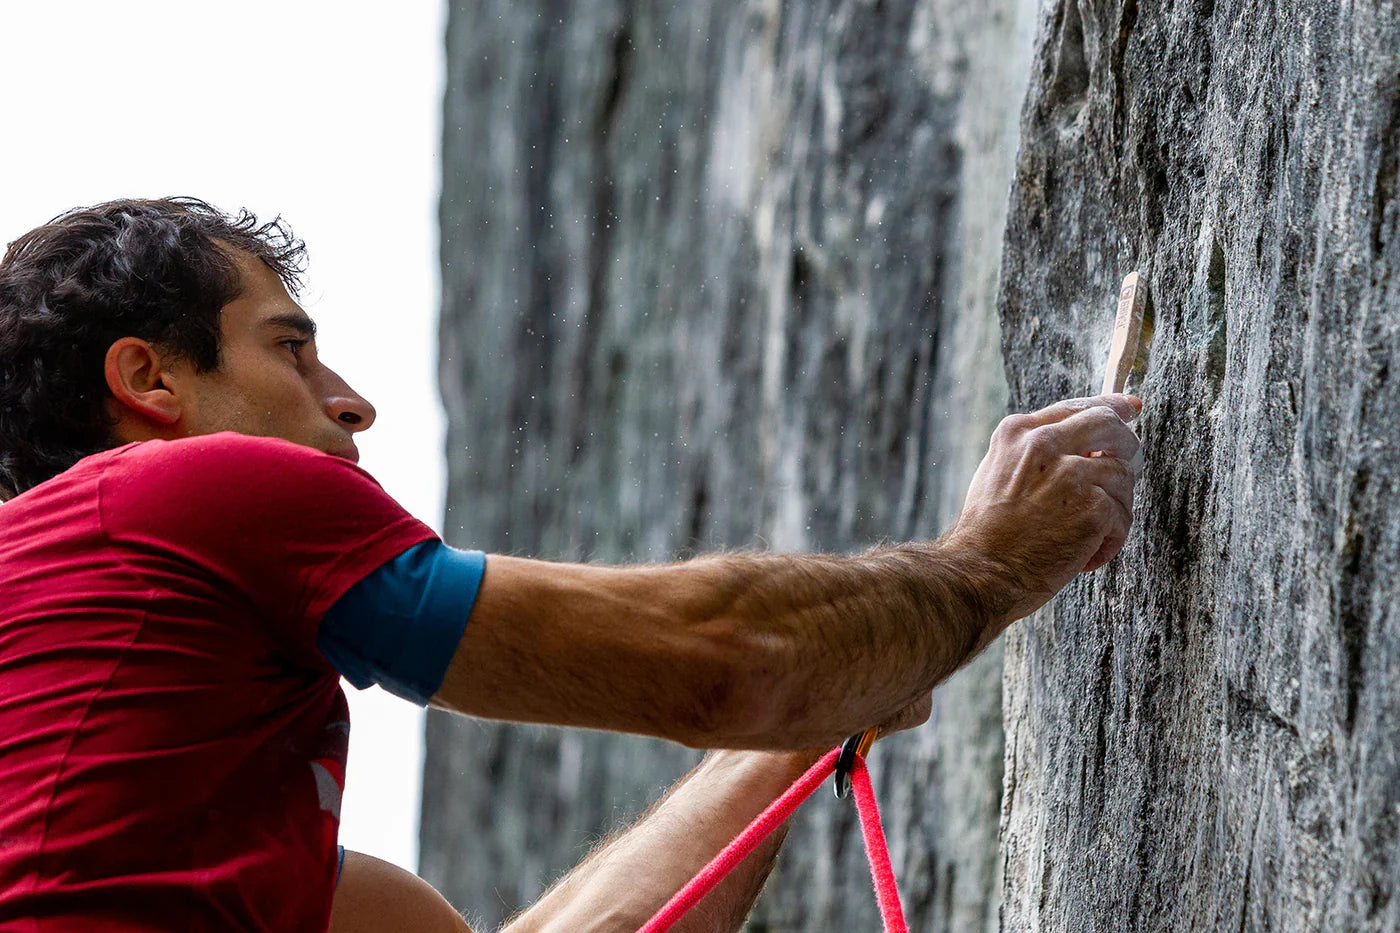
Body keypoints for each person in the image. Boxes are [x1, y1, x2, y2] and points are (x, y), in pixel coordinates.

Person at [0, 199, 1142, 932]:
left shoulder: (171, 842)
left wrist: (819, 713)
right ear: (151, 382)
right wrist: (986, 562)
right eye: (289, 349)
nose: (350, 402)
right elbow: (728, 661)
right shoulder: (188, 489)